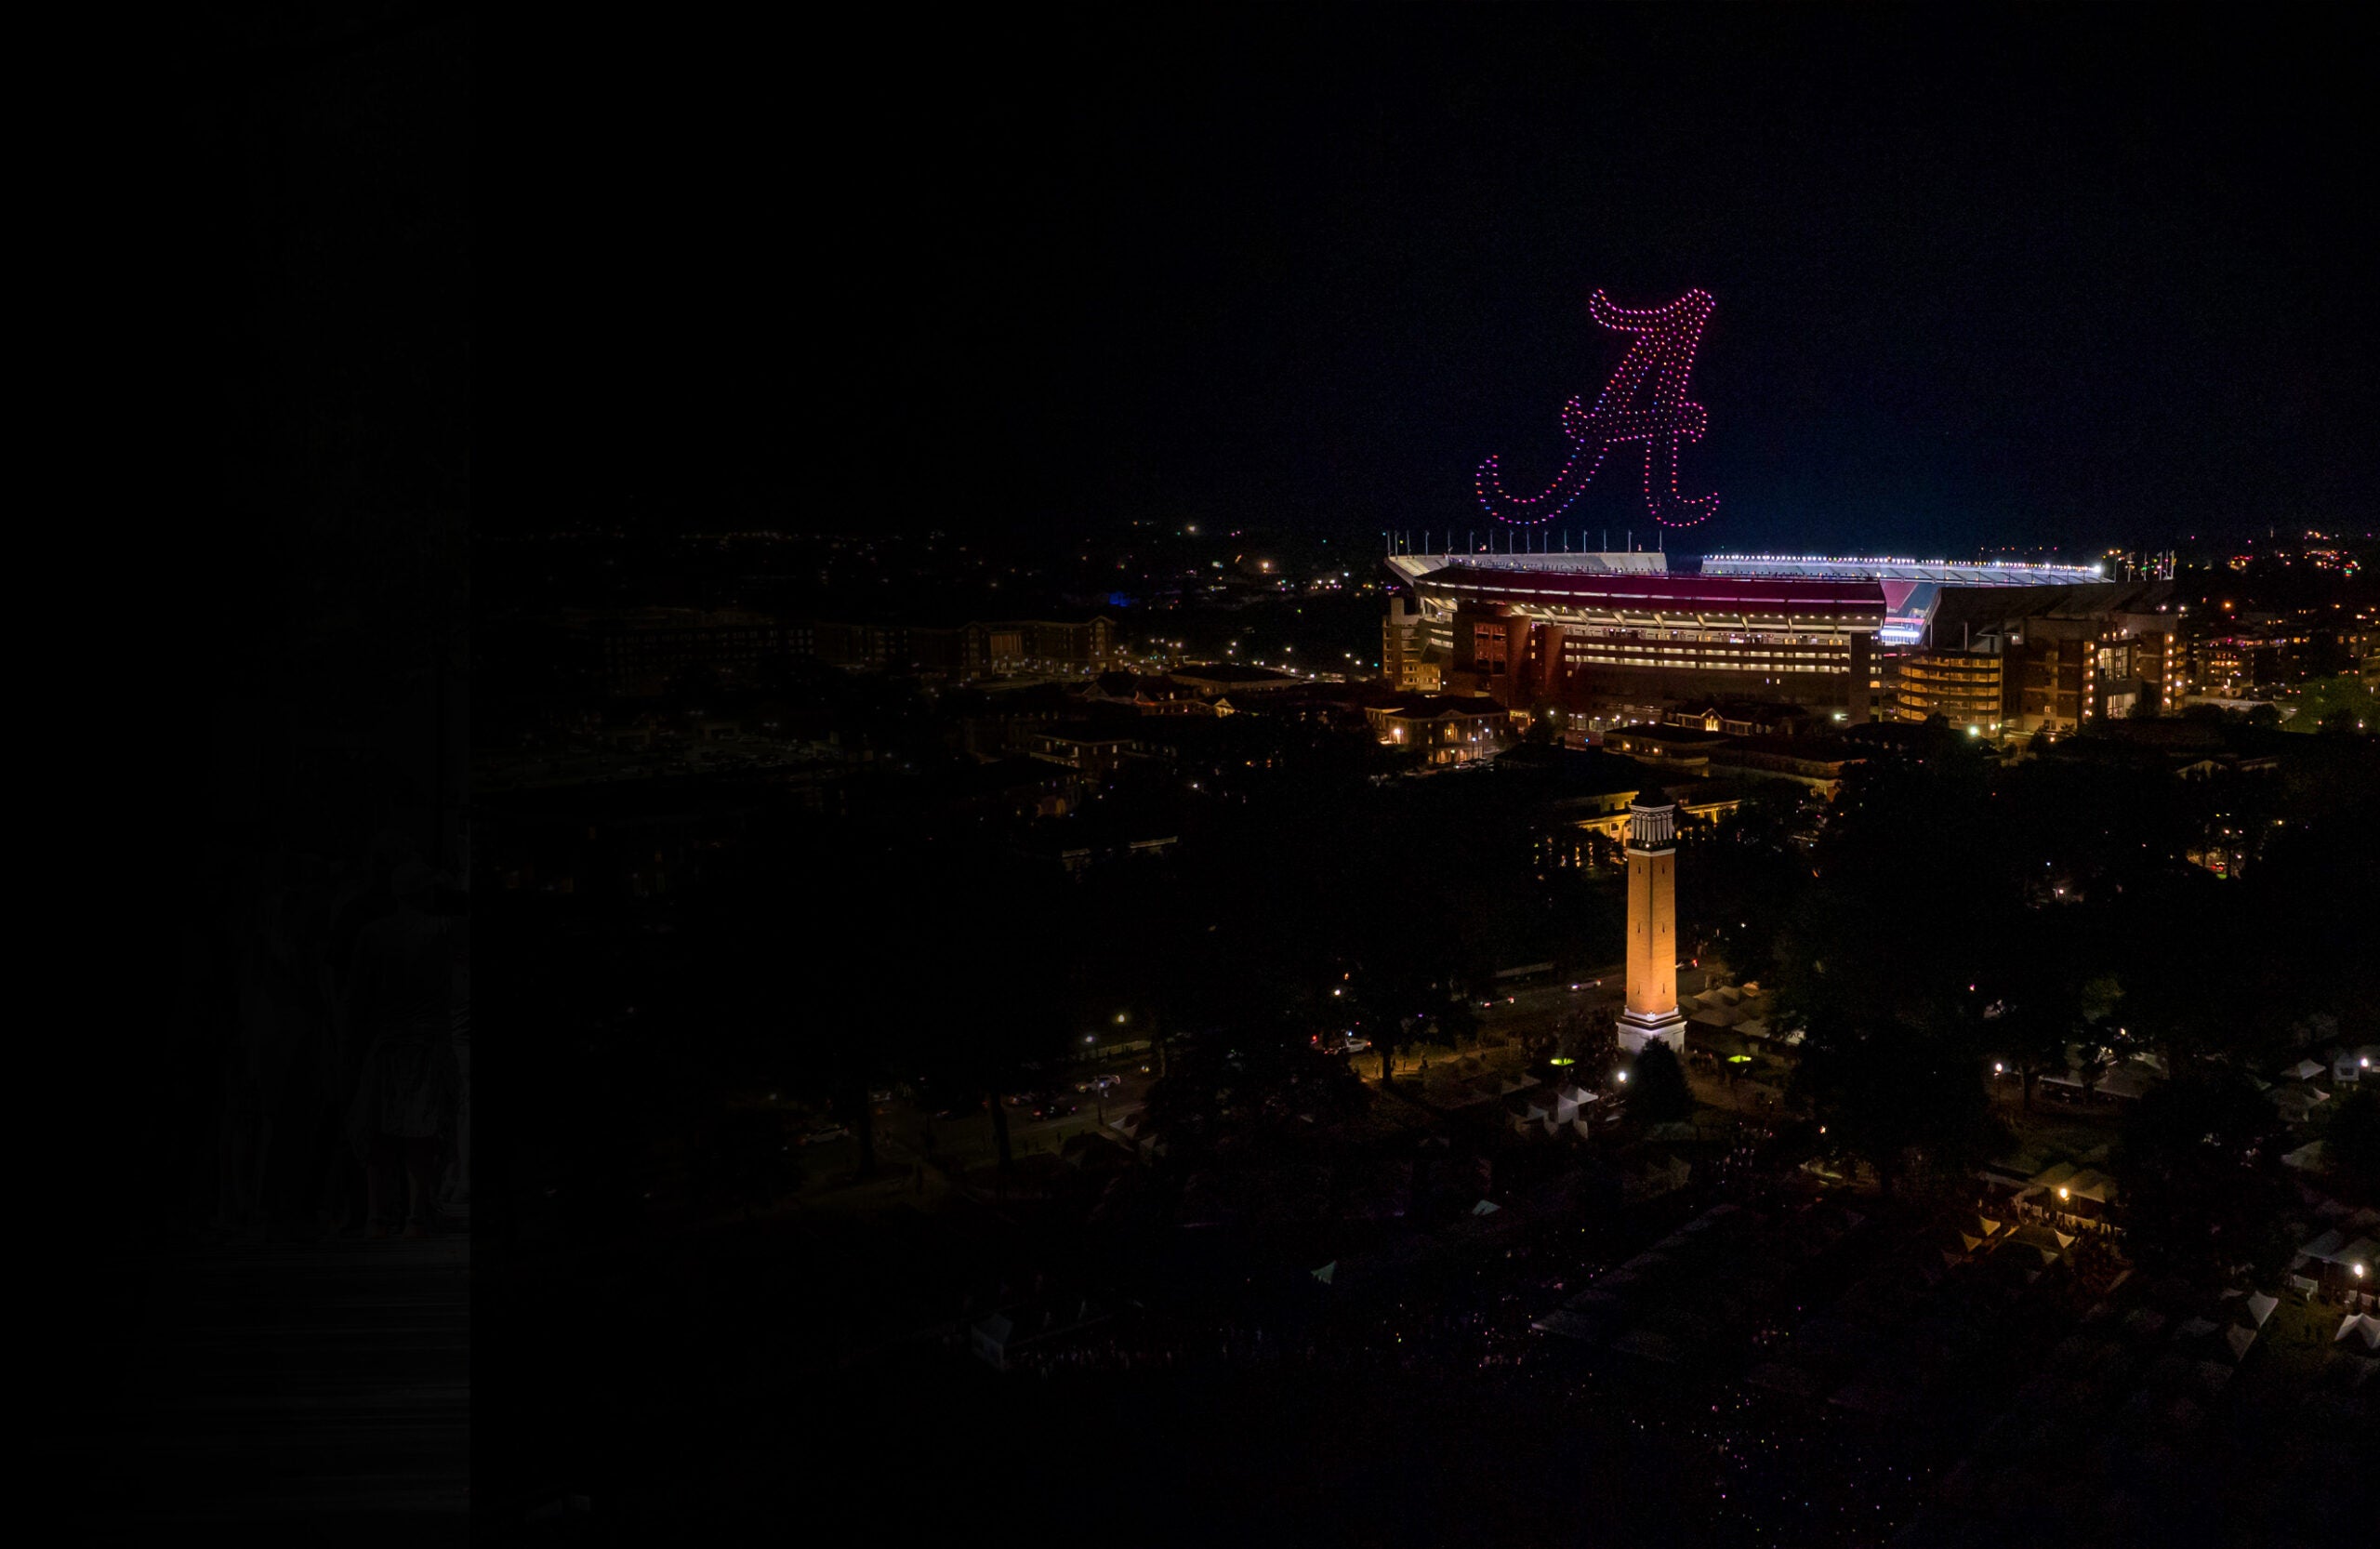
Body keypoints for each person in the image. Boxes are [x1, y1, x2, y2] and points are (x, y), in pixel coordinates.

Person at [343, 860, 460, 1238]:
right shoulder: (442, 931)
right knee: (421, 1132)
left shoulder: (374, 934)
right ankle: (416, 1216)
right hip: (424, 1041)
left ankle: (379, 1217)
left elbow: (357, 996)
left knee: (378, 1129)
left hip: (388, 1041)